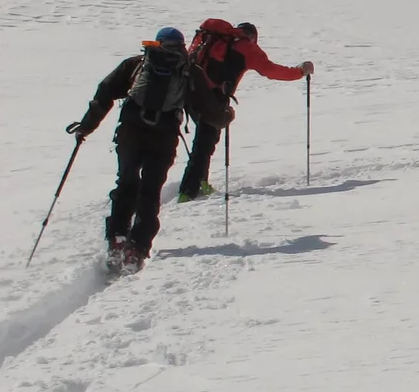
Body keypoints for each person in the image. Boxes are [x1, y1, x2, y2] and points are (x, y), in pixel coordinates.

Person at [66, 27, 222, 271]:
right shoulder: (190, 71)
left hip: (131, 132)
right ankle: (137, 248)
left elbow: (105, 92)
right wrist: (226, 114)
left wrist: (86, 126)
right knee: (150, 190)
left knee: (126, 183)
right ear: (182, 46)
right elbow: (211, 113)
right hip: (164, 136)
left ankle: (117, 239)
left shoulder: (137, 64)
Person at [177, 21, 313, 200]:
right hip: (212, 98)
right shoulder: (246, 47)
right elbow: (271, 70)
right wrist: (300, 72)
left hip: (189, 91)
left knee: (207, 138)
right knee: (204, 142)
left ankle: (201, 181)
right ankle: (188, 192)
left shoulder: (212, 39)